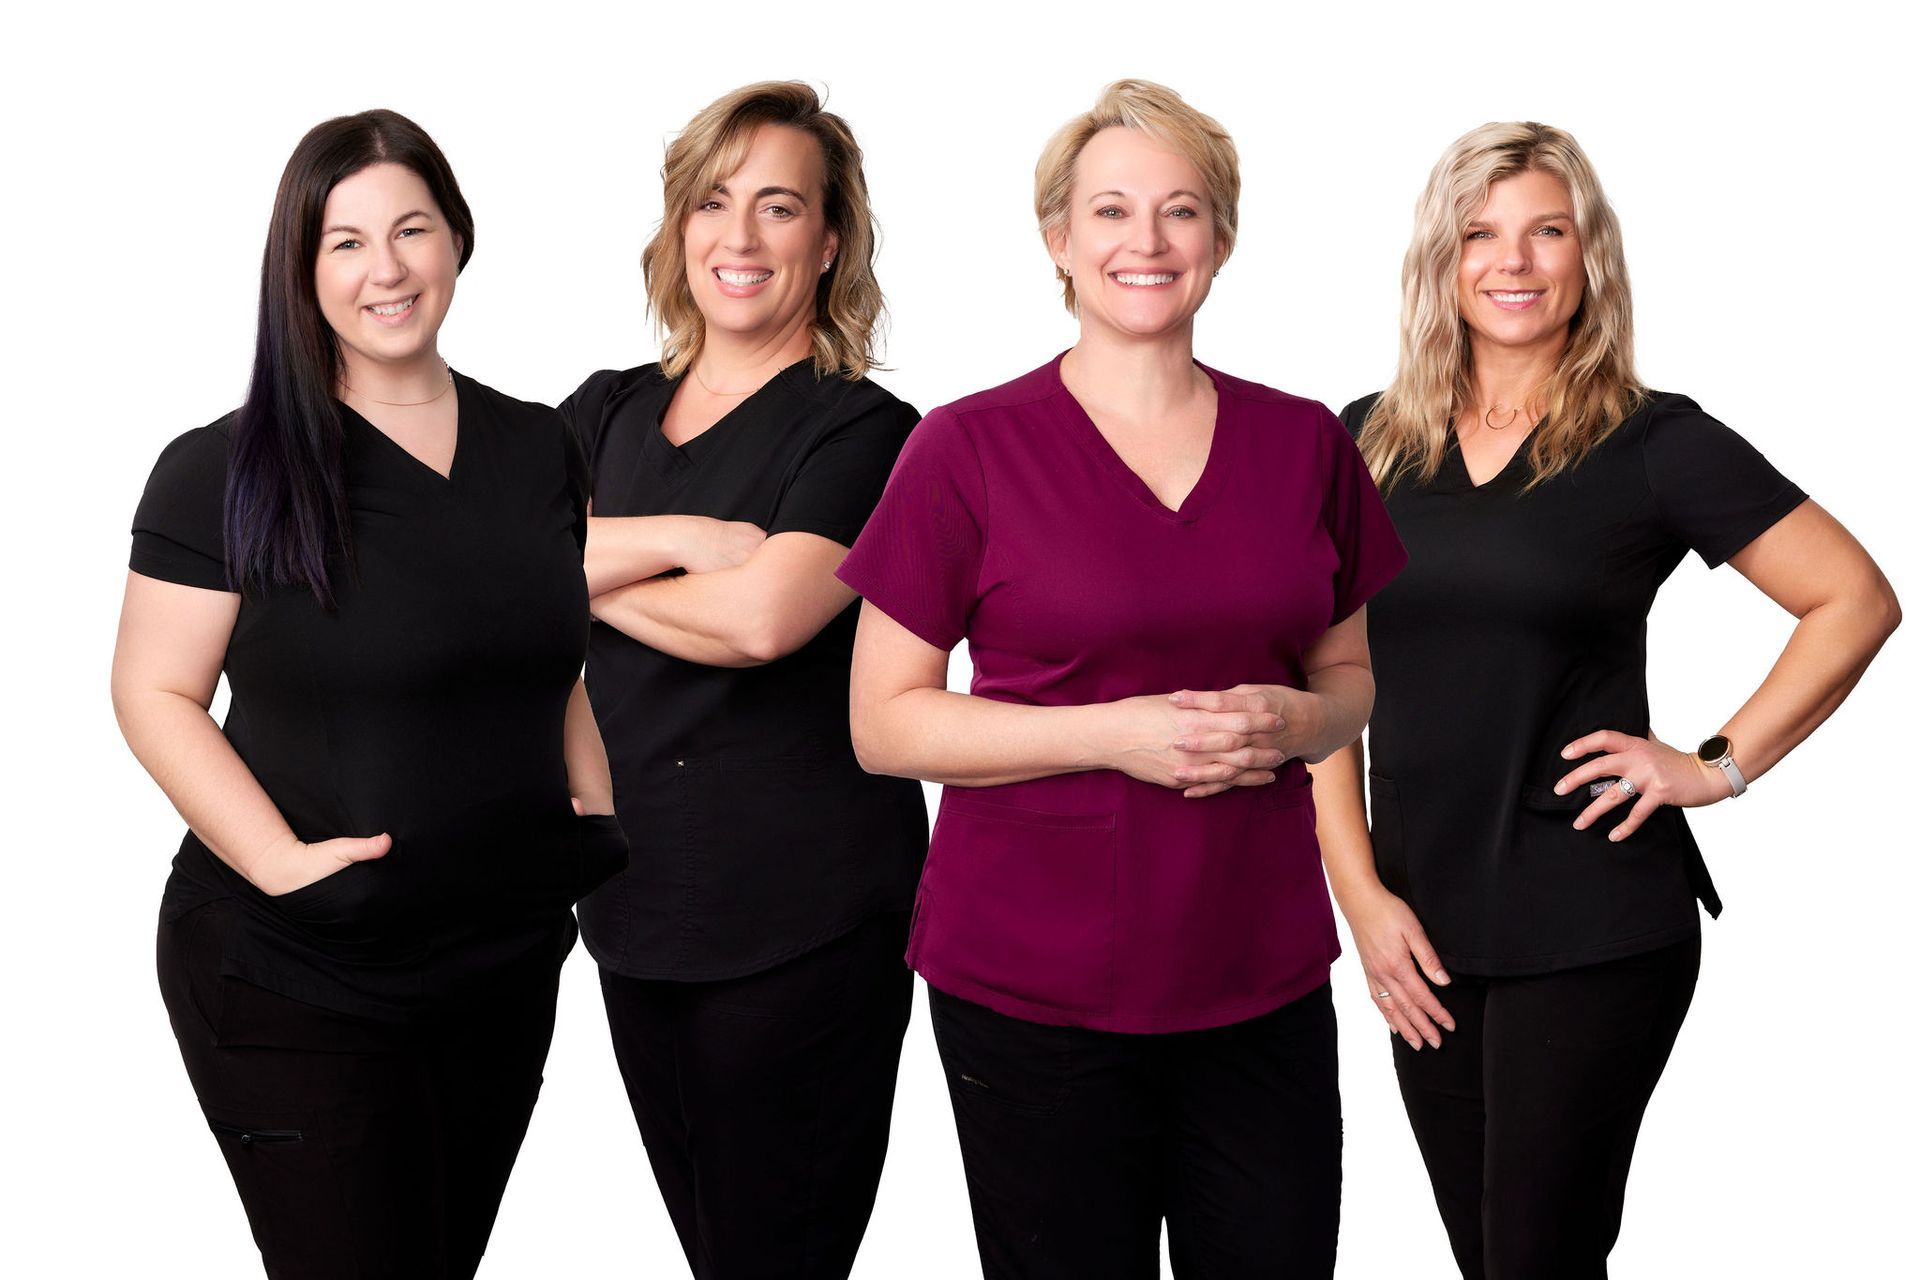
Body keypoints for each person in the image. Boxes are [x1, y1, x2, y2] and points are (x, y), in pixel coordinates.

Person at [839, 80, 1405, 1278]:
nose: (1145, 242)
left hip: (1257, 972)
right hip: (1031, 985)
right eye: (1110, 211)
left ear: (1221, 239)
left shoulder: (1306, 441)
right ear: (1059, 238)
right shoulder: (967, 446)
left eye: (1180, 211)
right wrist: (1114, 733)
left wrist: (1308, 717)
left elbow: (1351, 678)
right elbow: (884, 723)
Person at [1316, 121, 1902, 1279]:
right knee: (1485, 1251)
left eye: (1549, 230)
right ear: (1442, 257)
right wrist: (1361, 895)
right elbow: (1318, 679)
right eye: (1481, 233)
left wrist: (1714, 763)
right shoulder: (1364, 442)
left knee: (1538, 1255)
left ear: (1592, 256)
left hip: (1588, 915)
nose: (1515, 261)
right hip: (1424, 924)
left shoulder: (1653, 442)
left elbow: (1853, 597)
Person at [111, 109, 626, 1279]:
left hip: (497, 959)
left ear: (457, 240)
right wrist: (283, 863)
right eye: (344, 242)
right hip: (299, 969)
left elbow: (547, 654)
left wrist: (590, 811)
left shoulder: (539, 446)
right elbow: (154, 689)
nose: (385, 268)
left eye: (411, 229)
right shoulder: (223, 468)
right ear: (301, 268)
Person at [560, 82, 925, 1279]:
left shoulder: (864, 430)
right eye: (715, 202)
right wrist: (690, 540)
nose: (742, 236)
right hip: (635, 904)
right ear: (678, 229)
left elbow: (767, 618)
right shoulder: (602, 411)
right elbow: (477, 570)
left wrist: (591, 563)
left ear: (828, 243)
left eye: (780, 207)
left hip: (803, 922)